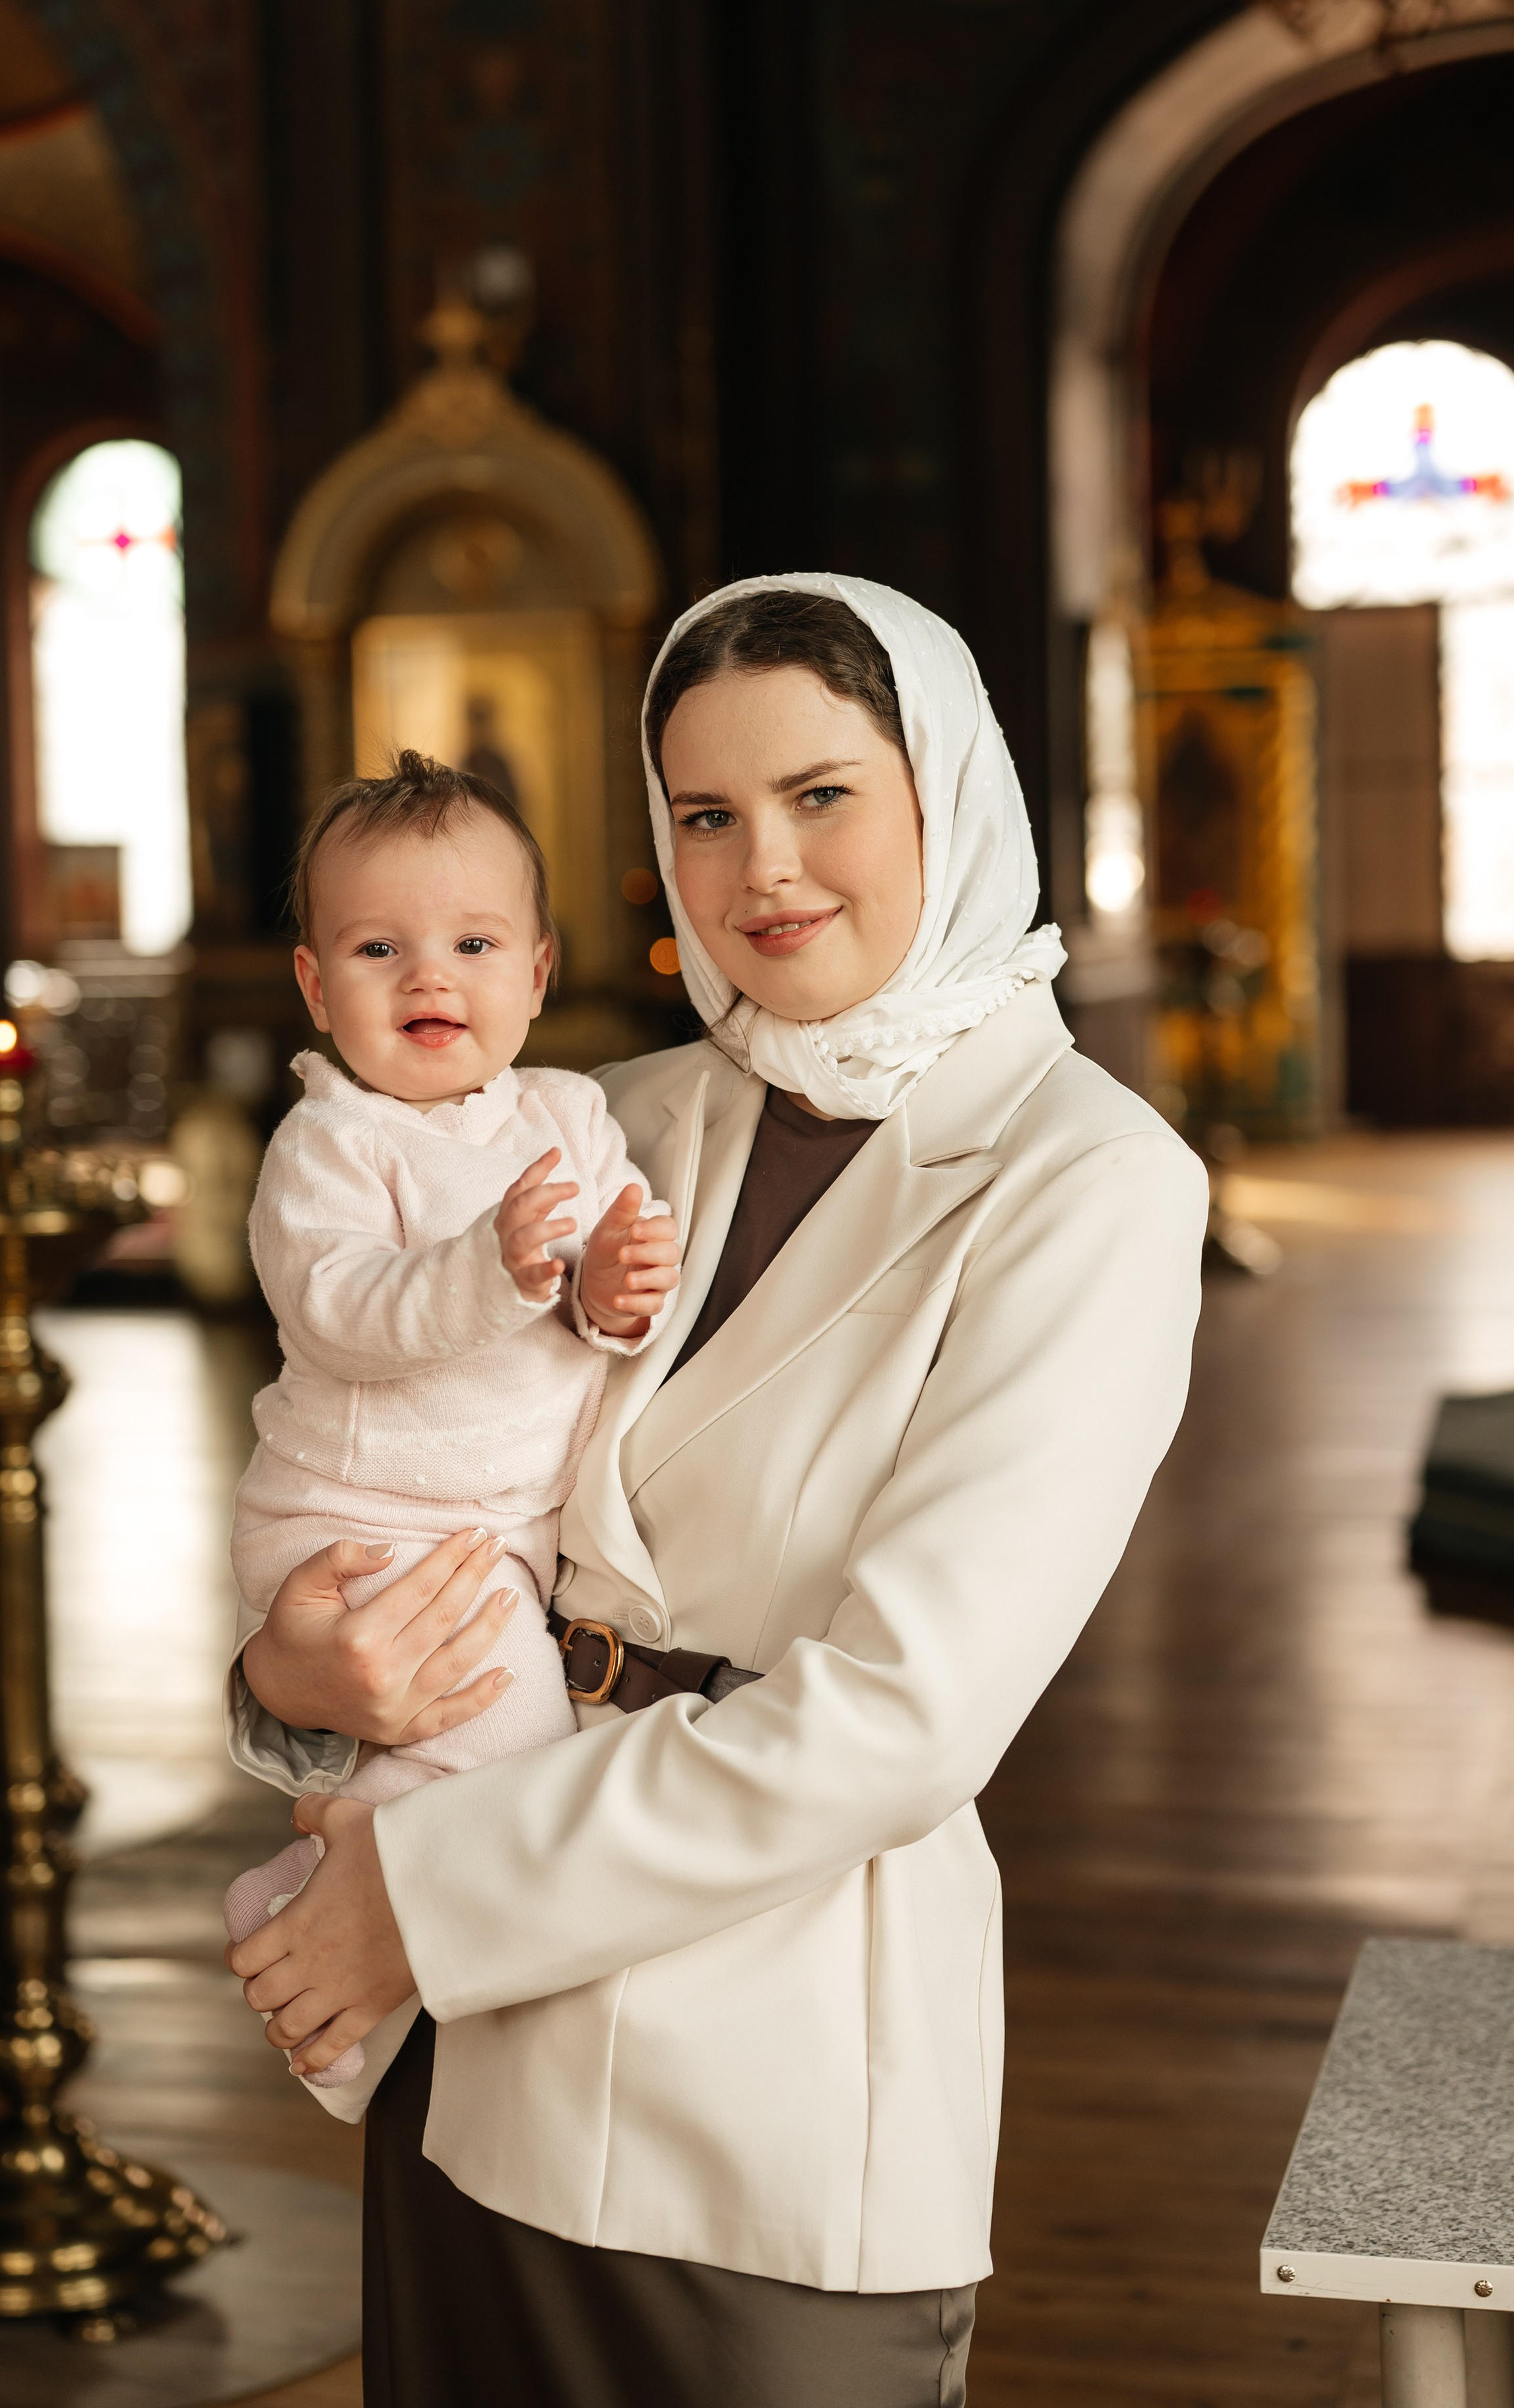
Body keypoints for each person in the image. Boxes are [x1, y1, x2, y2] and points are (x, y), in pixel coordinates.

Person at [227, 575, 1208, 2407]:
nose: (763, 868)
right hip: (467, 2053)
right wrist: (289, 1683)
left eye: (822, 795)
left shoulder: (1089, 1178)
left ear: (947, 791)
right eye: (703, 813)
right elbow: (397, 1462)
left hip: (762, 2084)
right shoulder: (596, 1115)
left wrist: (425, 1897)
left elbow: (905, 1718)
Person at [224, 753, 679, 2093]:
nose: (430, 978)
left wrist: (610, 1292)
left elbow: (606, 1298)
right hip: (365, 1519)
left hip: (498, 1526)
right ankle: (337, 2000)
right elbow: (340, 1311)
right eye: (380, 949)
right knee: (504, 1741)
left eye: (472, 945)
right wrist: (490, 1267)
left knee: (473, 1752)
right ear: (317, 985)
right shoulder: (332, 1143)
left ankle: (307, 1898)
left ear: (536, 973)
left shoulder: (571, 1115)